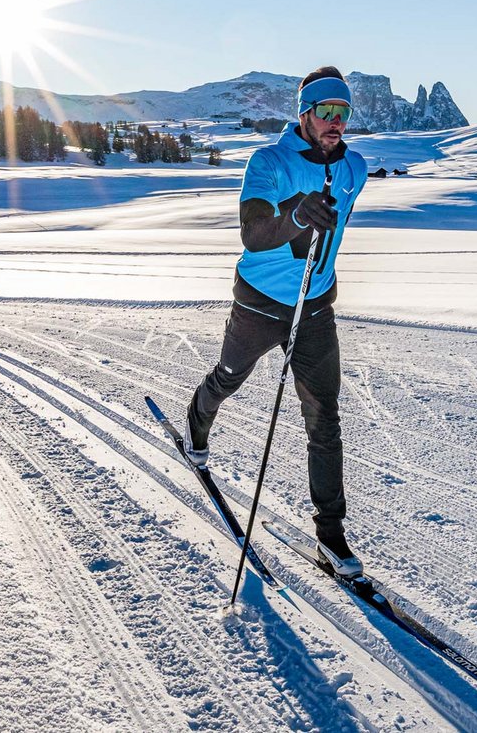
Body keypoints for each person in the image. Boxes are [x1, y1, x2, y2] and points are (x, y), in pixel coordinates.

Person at [187, 66, 368, 575]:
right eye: (326, 112)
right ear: (305, 112)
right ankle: (197, 424)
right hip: (260, 303)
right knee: (228, 378)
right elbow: (253, 233)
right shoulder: (267, 161)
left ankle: (331, 537)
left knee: (324, 417)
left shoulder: (354, 168)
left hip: (315, 308)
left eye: (343, 113)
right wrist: (296, 216)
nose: (335, 122)